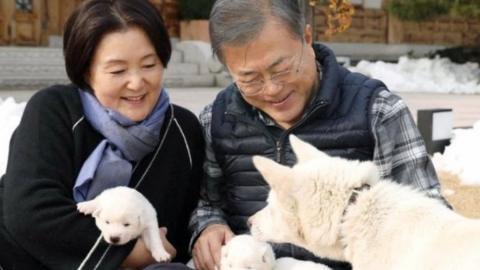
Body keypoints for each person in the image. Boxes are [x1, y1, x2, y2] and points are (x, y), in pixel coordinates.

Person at [189, 1, 444, 270]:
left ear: (307, 38)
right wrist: (207, 225)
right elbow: (206, 202)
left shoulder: (378, 112)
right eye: (250, 79)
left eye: (281, 68)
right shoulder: (216, 119)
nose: (272, 89)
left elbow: (429, 224)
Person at [0, 0, 204, 269]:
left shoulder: (183, 129)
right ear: (86, 71)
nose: (136, 82)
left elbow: (189, 219)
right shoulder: (54, 110)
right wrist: (125, 252)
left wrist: (205, 232)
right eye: (118, 70)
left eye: (149, 65)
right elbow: (30, 212)